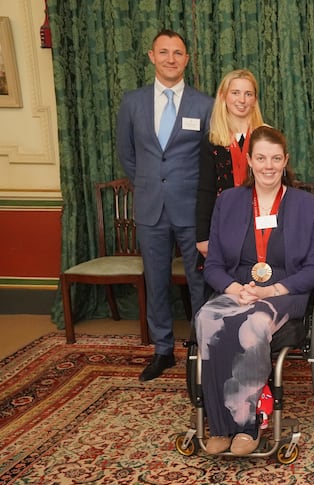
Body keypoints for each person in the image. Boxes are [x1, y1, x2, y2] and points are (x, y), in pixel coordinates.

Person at [195, 125, 314, 455]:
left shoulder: (307, 205)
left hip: (284, 294)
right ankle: (221, 426)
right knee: (207, 319)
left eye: (276, 158)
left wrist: (270, 291)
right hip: (239, 289)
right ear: (250, 161)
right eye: (261, 158)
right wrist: (235, 288)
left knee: (251, 325)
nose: (268, 166)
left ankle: (249, 423)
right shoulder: (229, 201)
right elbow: (212, 266)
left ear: (286, 161)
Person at [116, 29, 213, 382]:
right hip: (150, 207)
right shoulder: (132, 102)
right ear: (151, 56)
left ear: (187, 59)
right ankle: (162, 350)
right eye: (164, 52)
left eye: (178, 53)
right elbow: (127, 155)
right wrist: (149, 182)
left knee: (199, 281)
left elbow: (209, 159)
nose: (171, 58)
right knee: (155, 280)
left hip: (191, 208)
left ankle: (202, 347)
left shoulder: (204, 105)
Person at [196, 69, 265, 263]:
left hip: (262, 225)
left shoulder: (266, 137)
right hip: (224, 226)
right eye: (235, 93)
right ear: (223, 96)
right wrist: (203, 237)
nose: (242, 100)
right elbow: (206, 190)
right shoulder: (212, 141)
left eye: (248, 94)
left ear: (254, 100)